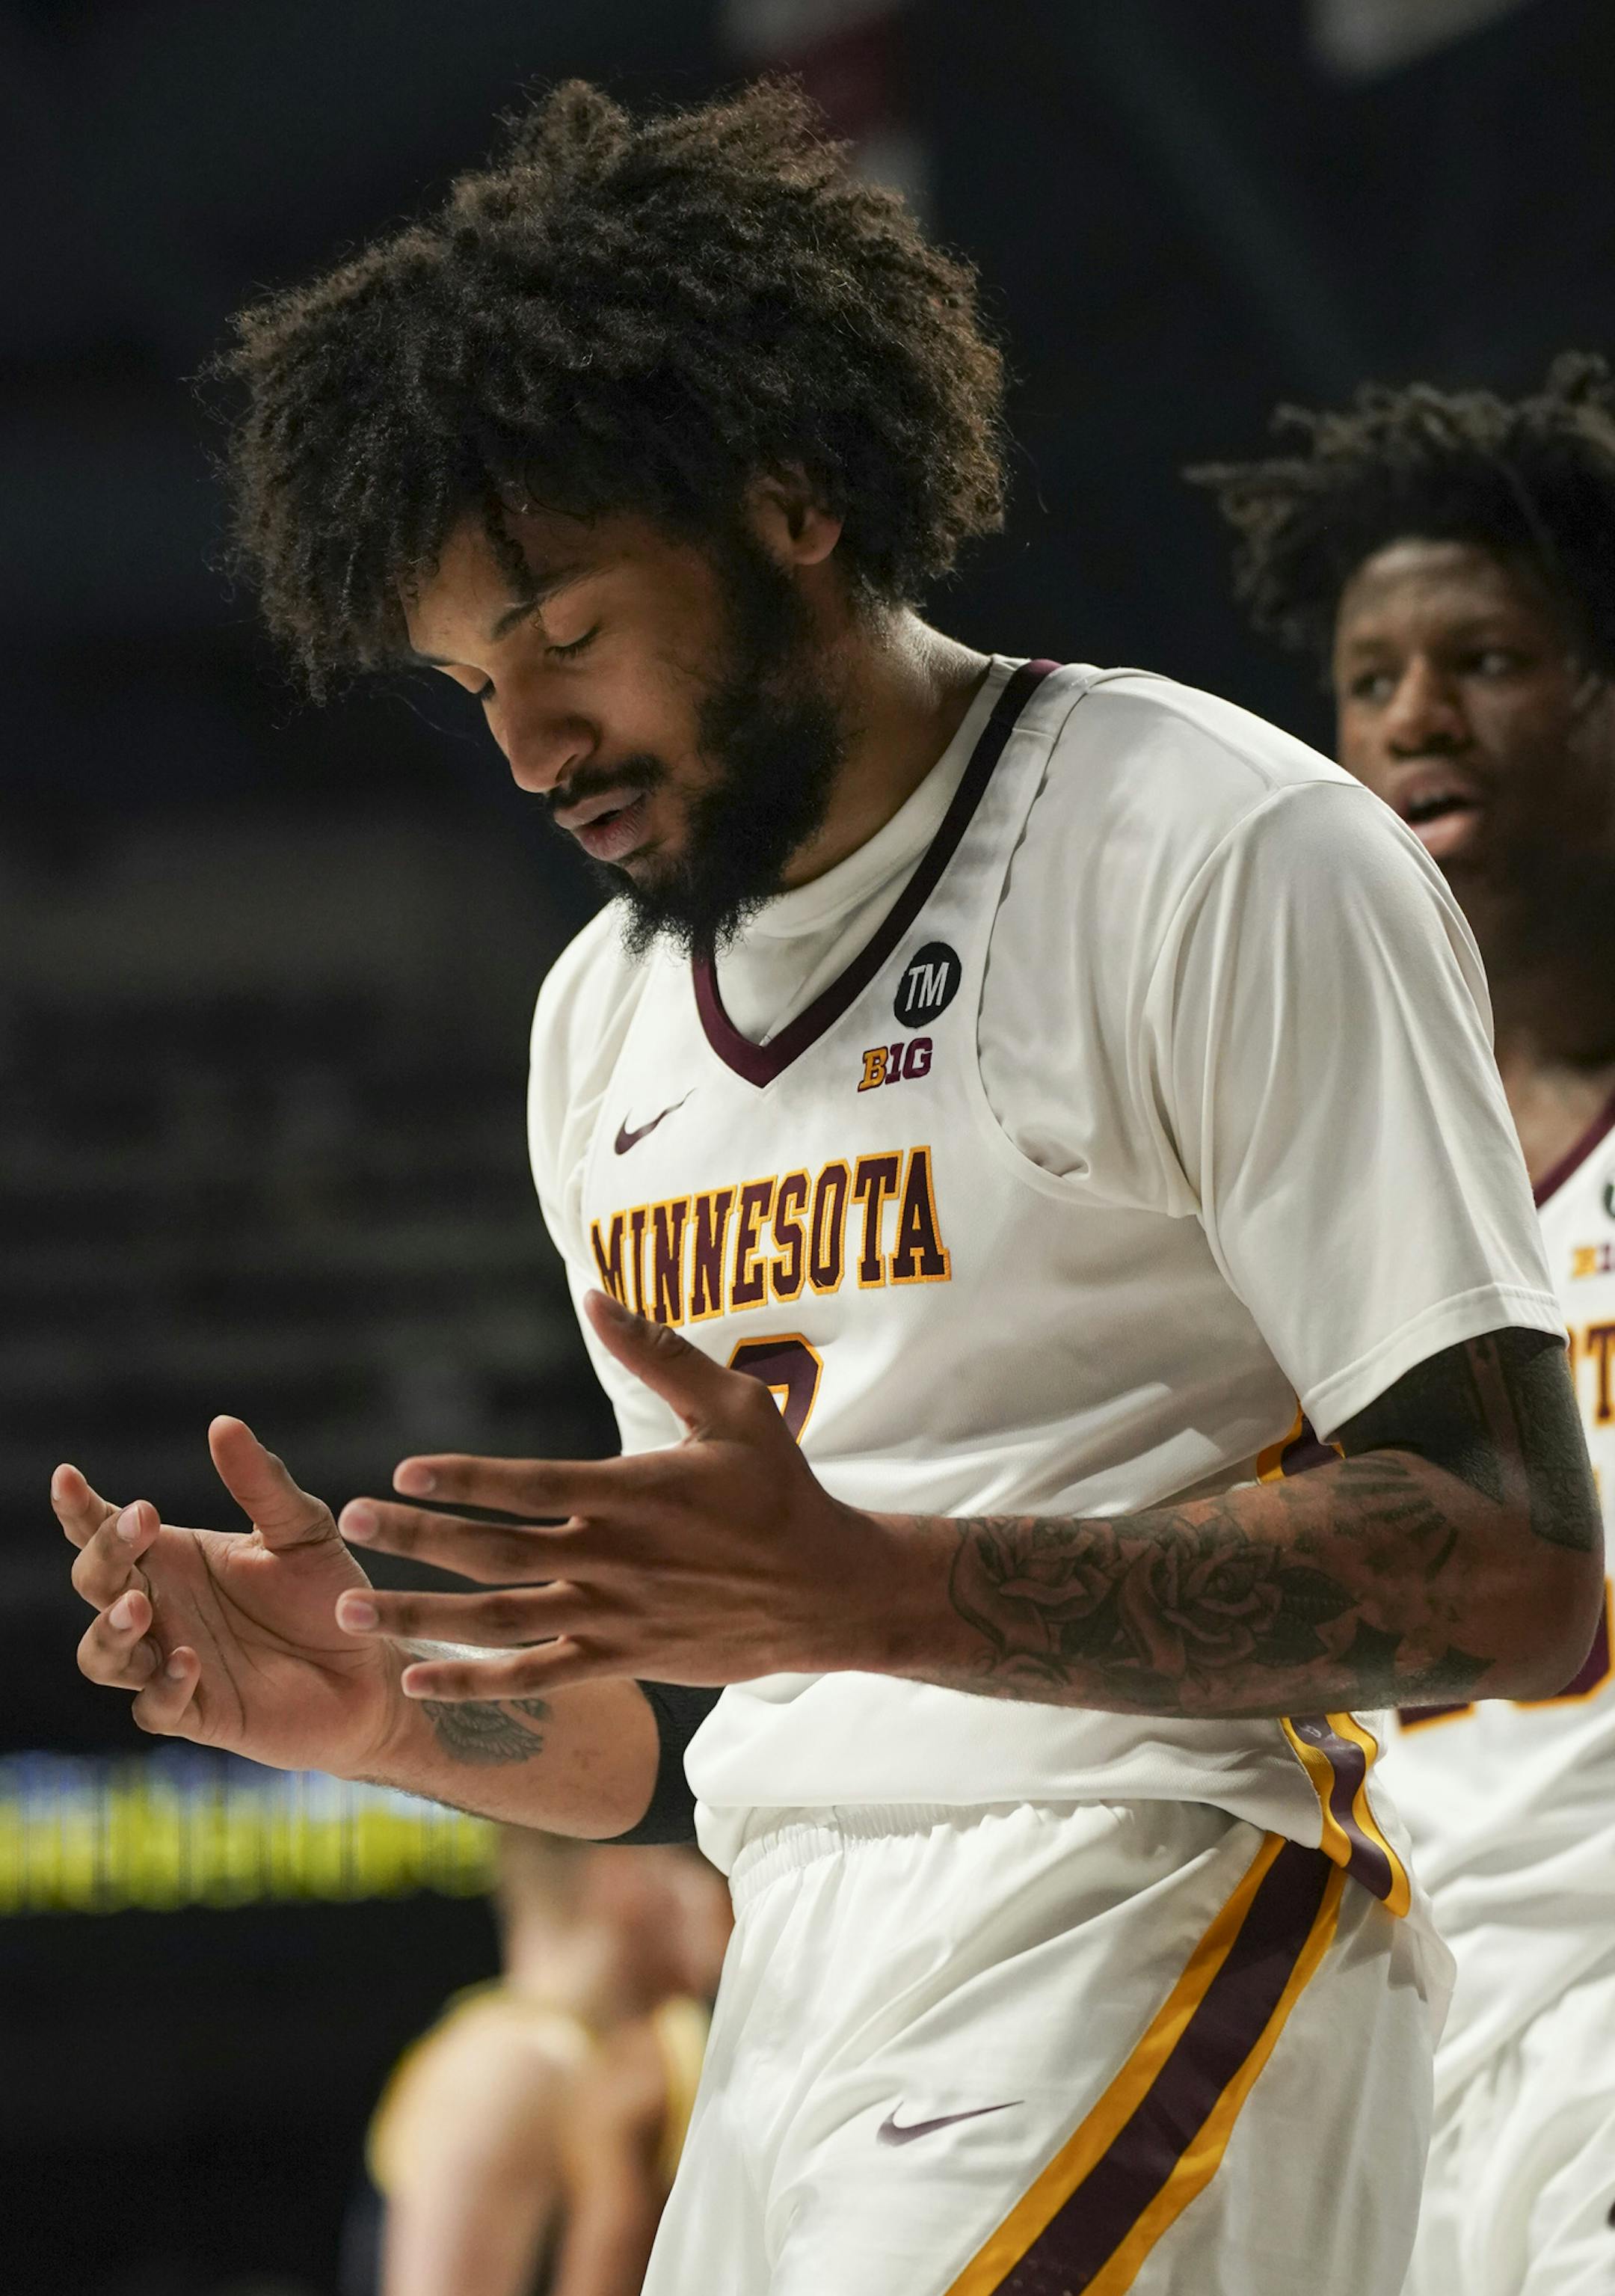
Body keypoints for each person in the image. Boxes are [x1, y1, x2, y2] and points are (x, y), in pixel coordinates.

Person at [55, 83, 1602, 2296]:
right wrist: (391, 1706)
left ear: (791, 503)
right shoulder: (600, 1021)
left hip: (1156, 1893)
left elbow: (1512, 1564)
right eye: (471, 681)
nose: (526, 744)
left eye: (564, 631)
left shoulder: (1210, 846)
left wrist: (869, 1588)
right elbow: (645, 1717)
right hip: (792, 1973)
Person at [1193, 354, 1615, 2295]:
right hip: (1387, 2014)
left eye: (1489, 660)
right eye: (1371, 678)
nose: (1416, 714)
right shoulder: (1287, 1167)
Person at [354, 1831, 728, 2296]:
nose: (718, 1890)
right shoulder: (509, 2066)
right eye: (692, 1862)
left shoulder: (654, 2045)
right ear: (624, 1875)